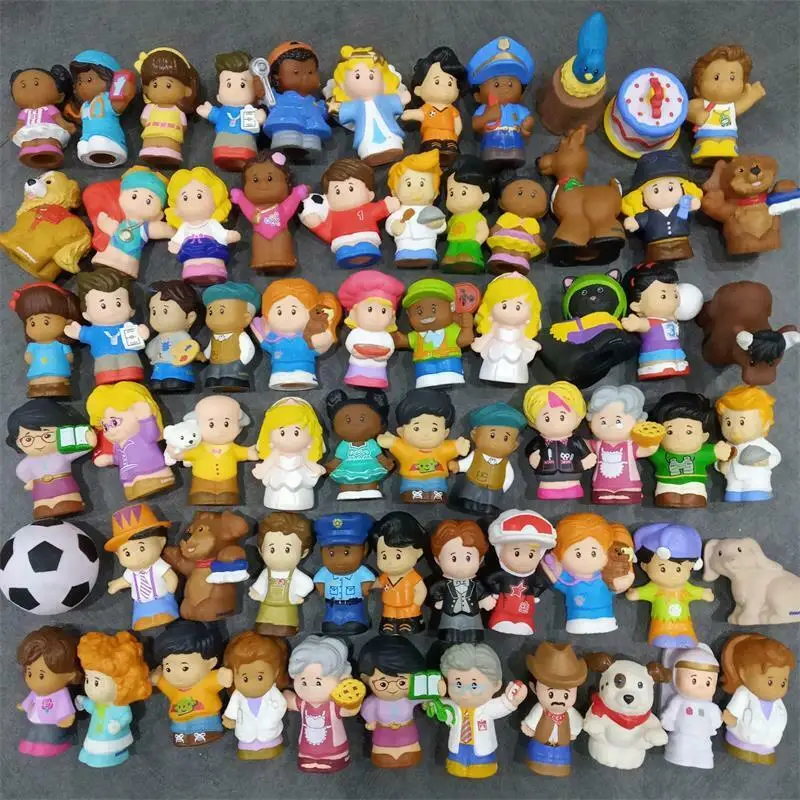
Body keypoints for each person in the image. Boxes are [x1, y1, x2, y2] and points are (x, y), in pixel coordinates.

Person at [435, 643, 527, 779]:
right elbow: (440, 707)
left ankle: (482, 766)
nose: (465, 693)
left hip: (482, 749)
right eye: (458, 684)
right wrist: (433, 701)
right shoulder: (453, 706)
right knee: (457, 762)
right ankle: (457, 765)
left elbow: (503, 704)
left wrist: (513, 700)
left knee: (481, 764)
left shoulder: (487, 708)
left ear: (496, 686)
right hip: (457, 746)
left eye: (474, 685)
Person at [627, 523, 713, 648]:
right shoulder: (654, 588)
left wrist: (704, 593)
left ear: (690, 568)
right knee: (661, 634)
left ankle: (686, 636)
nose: (672, 575)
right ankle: (659, 636)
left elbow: (694, 591)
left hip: (684, 623)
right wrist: (635, 593)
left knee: (687, 633)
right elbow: (642, 592)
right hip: (661, 624)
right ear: (644, 566)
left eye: (678, 569)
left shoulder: (685, 587)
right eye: (663, 569)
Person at [284, 636, 361, 773]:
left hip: (334, 748)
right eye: (303, 681)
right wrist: (284, 697)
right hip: (307, 748)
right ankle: (308, 759)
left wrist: (351, 698)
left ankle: (334, 759)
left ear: (342, 678)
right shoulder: (304, 704)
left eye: (318, 682)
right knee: (307, 757)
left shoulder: (333, 705)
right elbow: (290, 700)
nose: (310, 688)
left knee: (332, 757)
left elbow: (350, 710)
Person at [75, 631, 152, 768]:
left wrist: (118, 724)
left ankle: (111, 756)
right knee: (92, 745)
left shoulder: (119, 706)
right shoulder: (99, 702)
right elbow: (93, 707)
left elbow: (126, 717)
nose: (90, 687)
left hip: (112, 738)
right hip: (94, 735)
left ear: (121, 684)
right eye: (88, 679)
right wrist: (83, 701)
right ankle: (89, 753)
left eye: (96, 682)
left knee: (105, 748)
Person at [151, 620, 232, 747]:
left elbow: (219, 679)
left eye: (185, 668)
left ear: (210, 663)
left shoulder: (206, 680)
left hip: (204, 717)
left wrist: (223, 676)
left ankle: (206, 733)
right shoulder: (172, 685)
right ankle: (181, 735)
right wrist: (157, 678)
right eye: (168, 668)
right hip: (178, 720)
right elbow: (162, 683)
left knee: (201, 727)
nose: (176, 675)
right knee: (179, 730)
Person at [720, 633, 795, 765]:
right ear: (743, 674)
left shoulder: (778, 702)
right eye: (770, 682)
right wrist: (731, 718)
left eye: (783, 683)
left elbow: (782, 717)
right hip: (742, 737)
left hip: (768, 743)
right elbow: (733, 713)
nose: (777, 689)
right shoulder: (744, 693)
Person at [358, 637, 432, 768]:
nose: (392, 689)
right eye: (383, 684)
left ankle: (407, 753)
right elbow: (367, 710)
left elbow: (425, 697)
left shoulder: (409, 697)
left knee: (409, 751)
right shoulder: (374, 702)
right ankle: (384, 754)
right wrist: (371, 721)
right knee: (383, 754)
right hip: (383, 732)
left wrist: (428, 701)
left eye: (401, 682)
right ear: (366, 679)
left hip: (407, 731)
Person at [104, 503, 179, 631]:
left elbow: (171, 578)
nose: (136, 557)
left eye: (142, 548)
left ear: (161, 542)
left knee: (164, 613)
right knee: (140, 617)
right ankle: (141, 620)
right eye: (127, 553)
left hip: (161, 599)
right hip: (140, 604)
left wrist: (169, 593)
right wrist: (116, 585)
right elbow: (126, 581)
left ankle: (165, 614)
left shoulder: (158, 566)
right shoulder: (130, 572)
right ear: (118, 555)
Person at [485, 510, 555, 635]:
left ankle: (525, 621)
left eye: (531, 554)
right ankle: (502, 619)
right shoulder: (503, 574)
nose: (524, 560)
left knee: (525, 619)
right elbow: (489, 579)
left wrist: (535, 595)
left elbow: (543, 584)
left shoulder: (532, 577)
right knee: (501, 618)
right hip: (503, 608)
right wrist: (496, 591)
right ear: (500, 550)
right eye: (516, 553)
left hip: (525, 609)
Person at [448, 403, 527, 516]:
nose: (497, 442)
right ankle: (468, 503)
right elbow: (467, 463)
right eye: (492, 435)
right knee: (470, 495)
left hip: (494, 489)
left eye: (505, 438)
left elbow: (509, 477)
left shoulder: (505, 463)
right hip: (473, 483)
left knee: (490, 500)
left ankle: (488, 507)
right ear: (474, 435)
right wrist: (457, 466)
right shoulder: (476, 455)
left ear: (514, 446)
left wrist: (502, 488)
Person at [521, 642, 587, 776]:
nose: (559, 700)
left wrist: (574, 731)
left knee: (561, 761)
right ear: (534, 688)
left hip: (562, 747)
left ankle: (560, 767)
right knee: (538, 759)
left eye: (566, 695)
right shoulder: (540, 709)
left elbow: (577, 723)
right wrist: (529, 727)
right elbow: (532, 720)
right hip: (541, 744)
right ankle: (538, 763)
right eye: (551, 694)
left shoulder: (570, 712)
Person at [222, 632, 289, 760]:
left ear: (275, 673)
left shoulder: (273, 693)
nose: (252, 683)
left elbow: (281, 706)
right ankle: (247, 748)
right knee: (246, 736)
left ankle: (270, 745)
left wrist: (271, 721)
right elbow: (232, 708)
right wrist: (230, 717)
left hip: (269, 731)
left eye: (260, 677)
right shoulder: (238, 695)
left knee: (268, 736)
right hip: (245, 733)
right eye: (245, 678)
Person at [16, 627, 80, 757]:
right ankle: (30, 743)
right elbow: (31, 698)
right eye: (29, 672)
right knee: (33, 731)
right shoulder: (36, 692)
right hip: (36, 718)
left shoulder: (61, 694)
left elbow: (66, 705)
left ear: (69, 675)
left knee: (48, 734)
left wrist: (66, 716)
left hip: (51, 721)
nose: (33, 681)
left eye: (41, 675)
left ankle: (54, 744)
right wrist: (24, 705)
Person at [249, 512, 315, 637]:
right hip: (267, 605)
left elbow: (308, 584)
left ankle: (288, 626)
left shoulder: (295, 575)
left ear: (304, 553)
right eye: (272, 549)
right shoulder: (266, 573)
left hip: (287, 607)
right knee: (264, 619)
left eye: (287, 550)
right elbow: (260, 584)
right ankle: (263, 625)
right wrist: (256, 592)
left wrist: (299, 594)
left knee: (286, 621)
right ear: (261, 551)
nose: (279, 556)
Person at [659, 644, 723, 770]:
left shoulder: (710, 707)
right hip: (683, 737)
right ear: (675, 676)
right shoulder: (679, 701)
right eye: (694, 680)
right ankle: (679, 756)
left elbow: (717, 720)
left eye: (708, 682)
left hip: (703, 739)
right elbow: (670, 715)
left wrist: (716, 723)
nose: (701, 686)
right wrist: (667, 722)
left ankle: (703, 760)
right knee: (681, 751)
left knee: (704, 754)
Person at [715, 385, 781, 502]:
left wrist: (765, 462)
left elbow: (776, 456)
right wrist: (720, 465)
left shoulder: (760, 443)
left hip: (756, 484)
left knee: (754, 500)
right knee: (731, 500)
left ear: (765, 425)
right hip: (733, 485)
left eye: (742, 422)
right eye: (728, 423)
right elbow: (718, 459)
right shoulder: (726, 446)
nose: (734, 429)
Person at [402, 46, 466, 166]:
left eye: (450, 83)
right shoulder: (427, 108)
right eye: (437, 82)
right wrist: (408, 114)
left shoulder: (452, 110)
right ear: (419, 90)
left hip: (450, 136)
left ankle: (450, 152)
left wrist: (455, 134)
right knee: (432, 145)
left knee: (451, 146)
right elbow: (418, 114)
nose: (444, 88)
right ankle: (432, 151)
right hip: (430, 136)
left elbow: (458, 124)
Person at [313, 513, 375, 636]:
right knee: (330, 623)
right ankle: (332, 622)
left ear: (364, 550)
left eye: (346, 552)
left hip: (353, 605)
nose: (339, 561)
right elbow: (319, 581)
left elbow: (369, 580)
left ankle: (355, 620)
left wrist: (366, 586)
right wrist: (320, 587)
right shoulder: (325, 572)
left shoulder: (360, 571)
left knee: (354, 623)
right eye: (331, 553)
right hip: (332, 605)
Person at [370, 511, 427, 635]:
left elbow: (421, 591)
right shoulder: (385, 576)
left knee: (407, 619)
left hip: (409, 608)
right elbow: (378, 583)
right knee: (389, 619)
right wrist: (368, 584)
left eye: (397, 556)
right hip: (389, 607)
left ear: (418, 552)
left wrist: (416, 605)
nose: (390, 562)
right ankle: (389, 623)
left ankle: (408, 623)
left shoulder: (412, 577)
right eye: (384, 556)